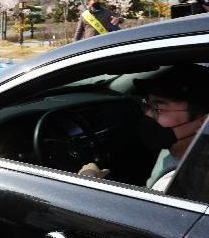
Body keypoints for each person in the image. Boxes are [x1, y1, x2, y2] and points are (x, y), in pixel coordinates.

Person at [79, 64, 209, 191]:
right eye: (147, 104)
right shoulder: (177, 148)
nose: (147, 114)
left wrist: (88, 182)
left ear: (203, 122)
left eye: (158, 109)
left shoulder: (183, 182)